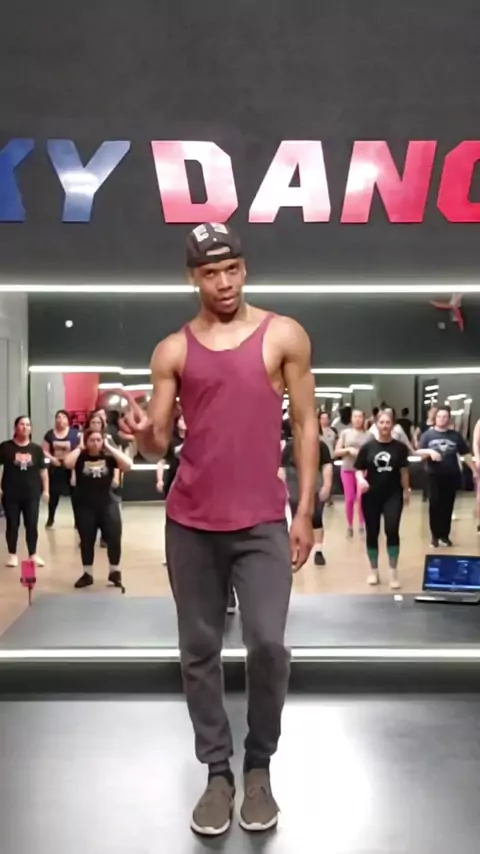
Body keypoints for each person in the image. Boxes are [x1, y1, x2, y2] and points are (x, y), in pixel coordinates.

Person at [120, 222, 318, 836]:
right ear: (193, 278)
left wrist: (305, 510)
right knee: (199, 652)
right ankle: (217, 773)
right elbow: (158, 442)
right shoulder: (172, 351)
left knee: (268, 645)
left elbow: (306, 424)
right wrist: (143, 436)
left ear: (245, 268)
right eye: (211, 273)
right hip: (191, 522)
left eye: (232, 269)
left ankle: (258, 766)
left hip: (262, 521)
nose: (225, 282)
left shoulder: (284, 335)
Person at [63, 427, 132, 590]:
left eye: (98, 440)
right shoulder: (80, 457)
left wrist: (109, 447)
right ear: (86, 442)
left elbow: (128, 465)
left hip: (107, 503)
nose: (95, 443)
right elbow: (67, 463)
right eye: (92, 440)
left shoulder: (108, 458)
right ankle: (87, 574)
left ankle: (114, 572)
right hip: (85, 506)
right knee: (87, 540)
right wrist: (79, 447)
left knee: (114, 537)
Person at [355, 409, 410, 589]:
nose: (385, 426)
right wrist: (361, 480)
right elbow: (358, 469)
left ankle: (393, 573)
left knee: (392, 529)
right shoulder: (367, 447)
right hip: (371, 495)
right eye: (382, 422)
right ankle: (374, 571)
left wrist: (406, 490)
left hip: (393, 494)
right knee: (372, 532)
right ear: (376, 424)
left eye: (388, 422)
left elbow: (404, 471)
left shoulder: (400, 448)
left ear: (392, 425)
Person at [418, 406, 477, 547]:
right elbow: (419, 453)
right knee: (435, 504)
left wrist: (474, 470)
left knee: (447, 505)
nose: (442, 419)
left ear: (449, 418)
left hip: (451, 475)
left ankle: (444, 535)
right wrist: (430, 452)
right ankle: (435, 535)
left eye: (445, 417)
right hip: (433, 475)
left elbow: (465, 454)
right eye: (439, 416)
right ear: (435, 418)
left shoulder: (455, 436)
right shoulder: (428, 435)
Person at [0, 415, 48, 567]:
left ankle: (33, 554)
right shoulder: (5, 447)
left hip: (31, 493)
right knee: (12, 524)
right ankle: (12, 554)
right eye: (22, 424)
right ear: (16, 428)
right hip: (11, 493)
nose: (25, 427)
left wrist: (46, 490)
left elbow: (43, 471)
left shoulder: (36, 449)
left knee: (32, 524)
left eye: (28, 425)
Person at [282, 431, 332, 565]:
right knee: (295, 518)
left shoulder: (320, 446)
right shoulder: (289, 447)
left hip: (315, 488)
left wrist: (327, 485)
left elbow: (327, 466)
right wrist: (283, 488)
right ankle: (296, 550)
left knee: (316, 518)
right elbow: (282, 469)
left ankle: (318, 551)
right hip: (294, 488)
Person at [334, 409, 369, 538]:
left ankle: (362, 524)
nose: (358, 419)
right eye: (355, 417)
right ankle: (349, 525)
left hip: (363, 470)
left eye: (360, 416)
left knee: (361, 498)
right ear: (352, 419)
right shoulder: (345, 433)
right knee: (349, 499)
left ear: (363, 419)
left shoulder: (369, 435)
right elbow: (336, 452)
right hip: (347, 469)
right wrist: (348, 450)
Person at [42, 409, 80, 528]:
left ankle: (78, 521)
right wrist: (52, 459)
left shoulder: (75, 434)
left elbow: (79, 450)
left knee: (76, 496)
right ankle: (50, 518)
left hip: (71, 468)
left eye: (63, 417)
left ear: (68, 420)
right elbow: (44, 450)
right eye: (58, 417)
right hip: (55, 468)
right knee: (54, 495)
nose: (60, 419)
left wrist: (74, 471)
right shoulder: (49, 434)